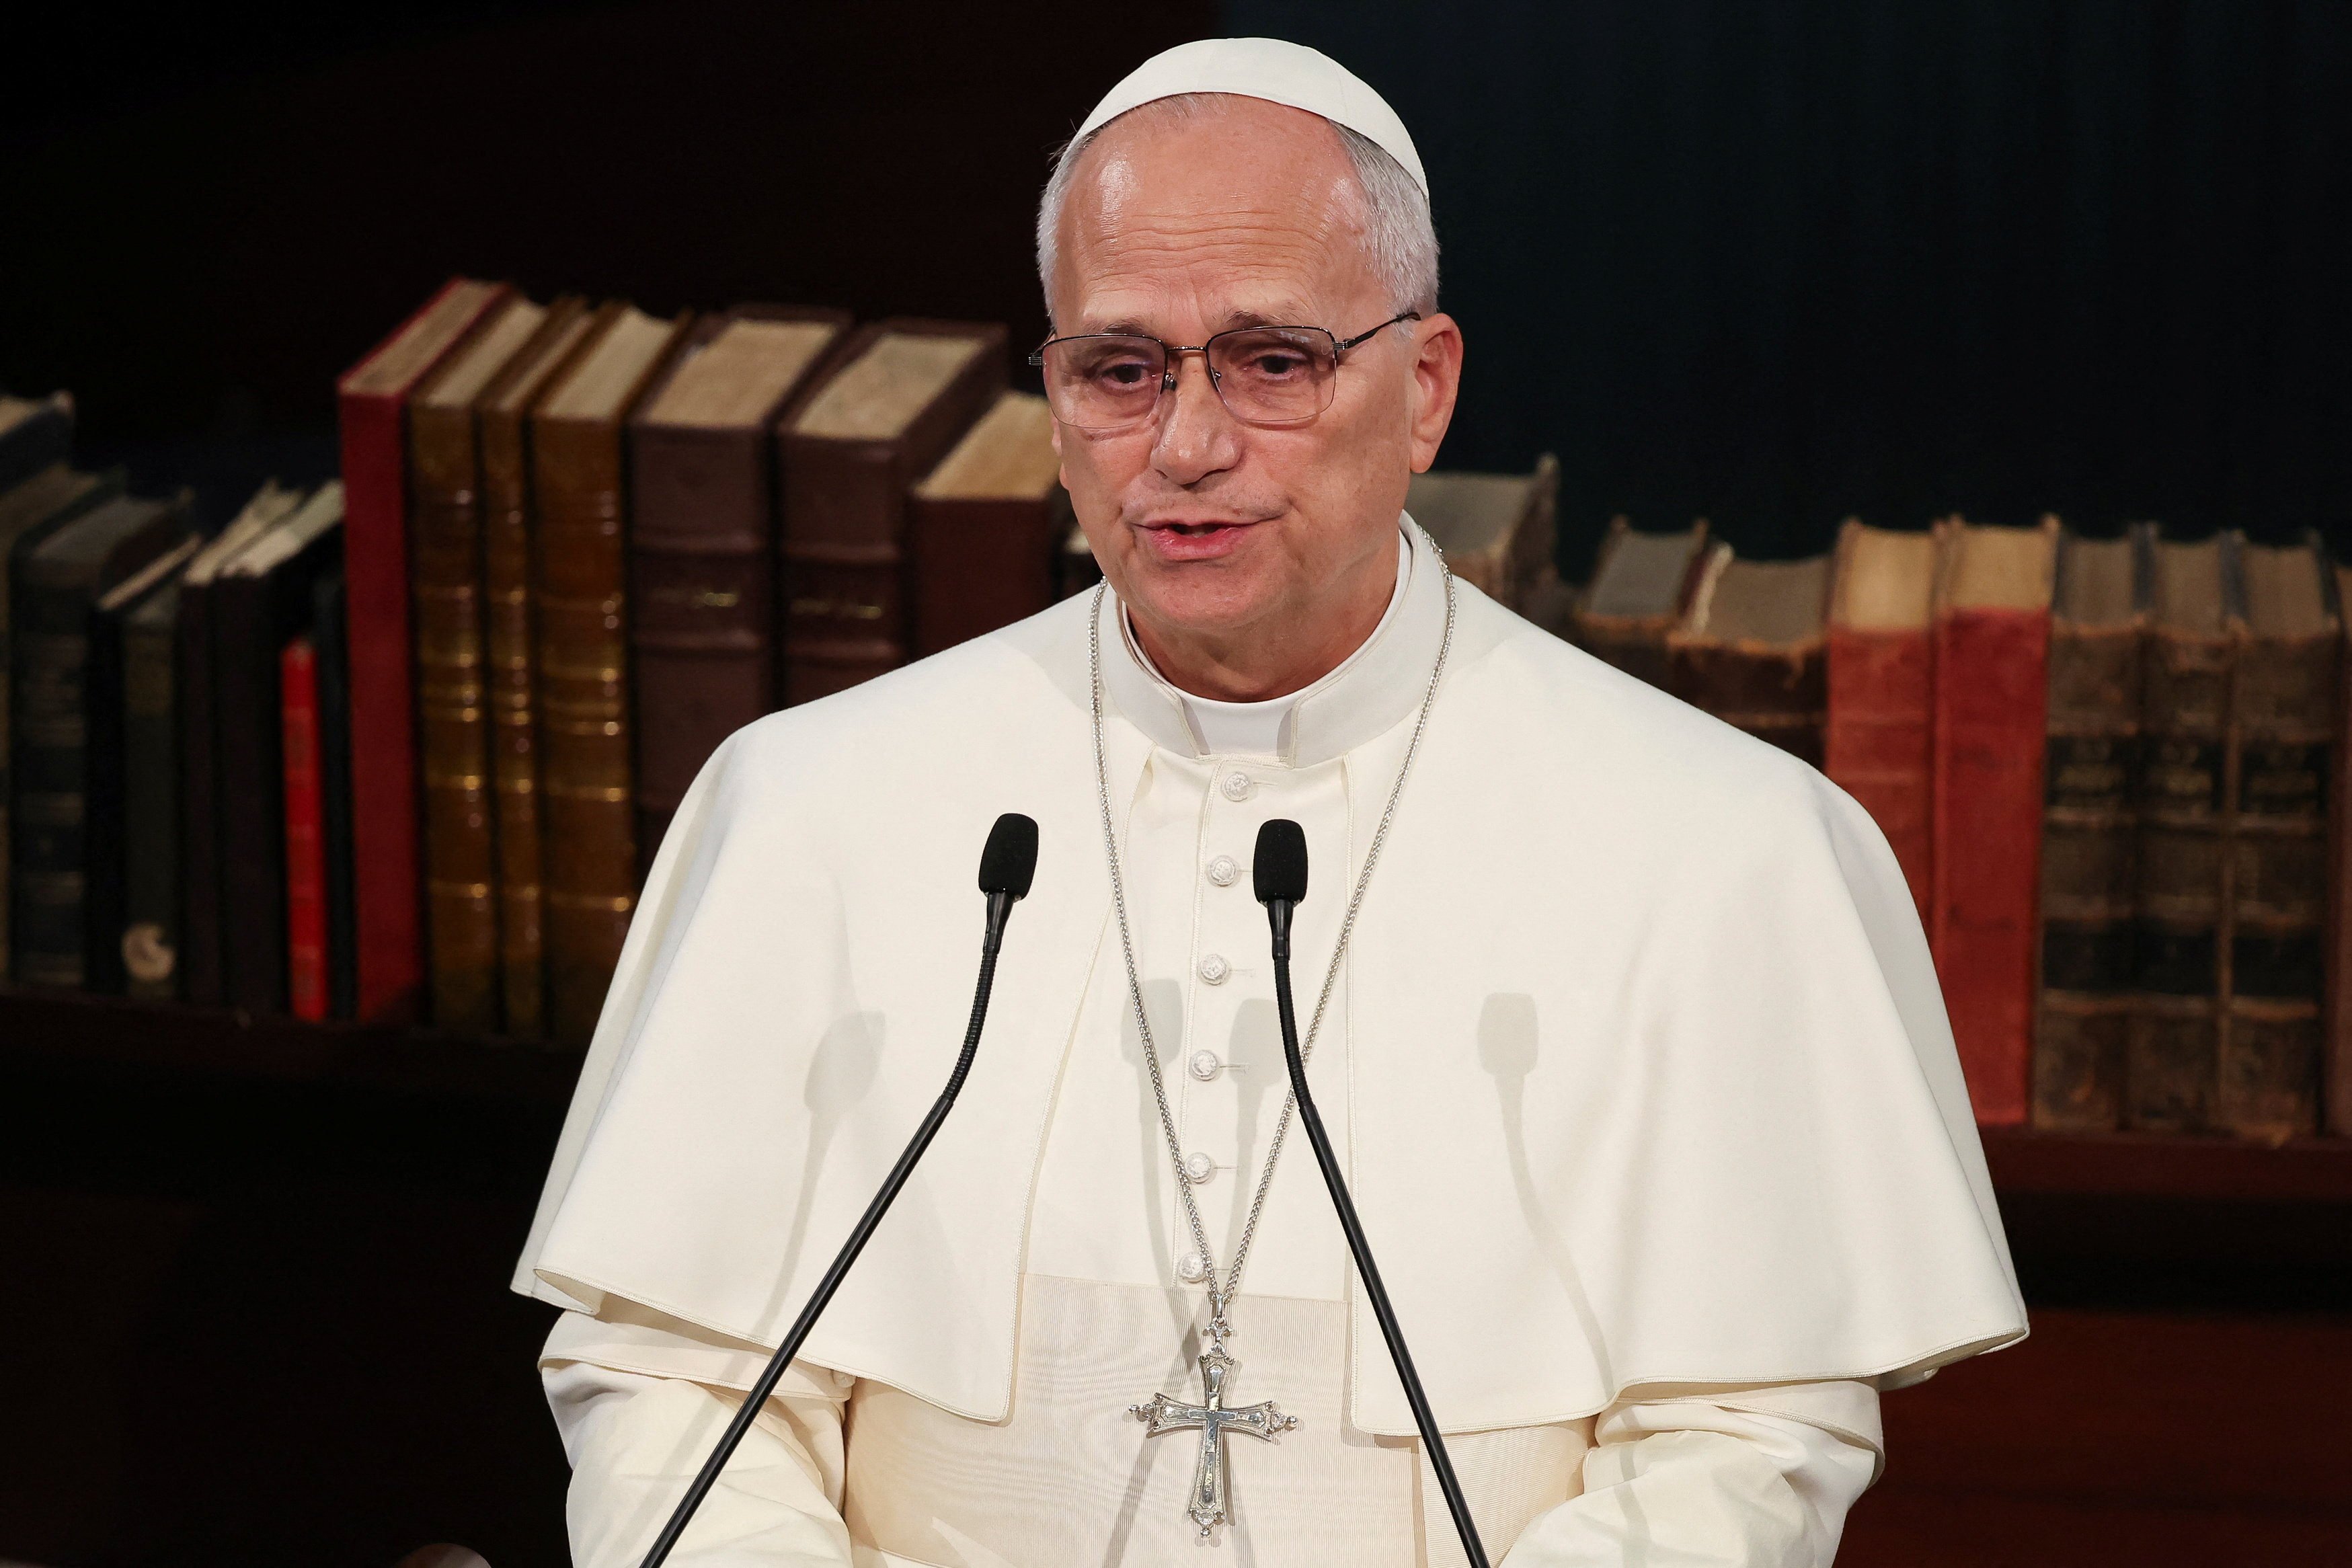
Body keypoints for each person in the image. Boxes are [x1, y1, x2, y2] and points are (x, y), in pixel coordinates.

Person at [514, 37, 2026, 1568]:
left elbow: (1741, 1443)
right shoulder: (812, 808)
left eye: (1272, 360)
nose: (1186, 444)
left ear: (1426, 386)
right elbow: (677, 1389)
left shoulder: (1720, 850)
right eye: (1122, 367)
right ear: (1053, 393)